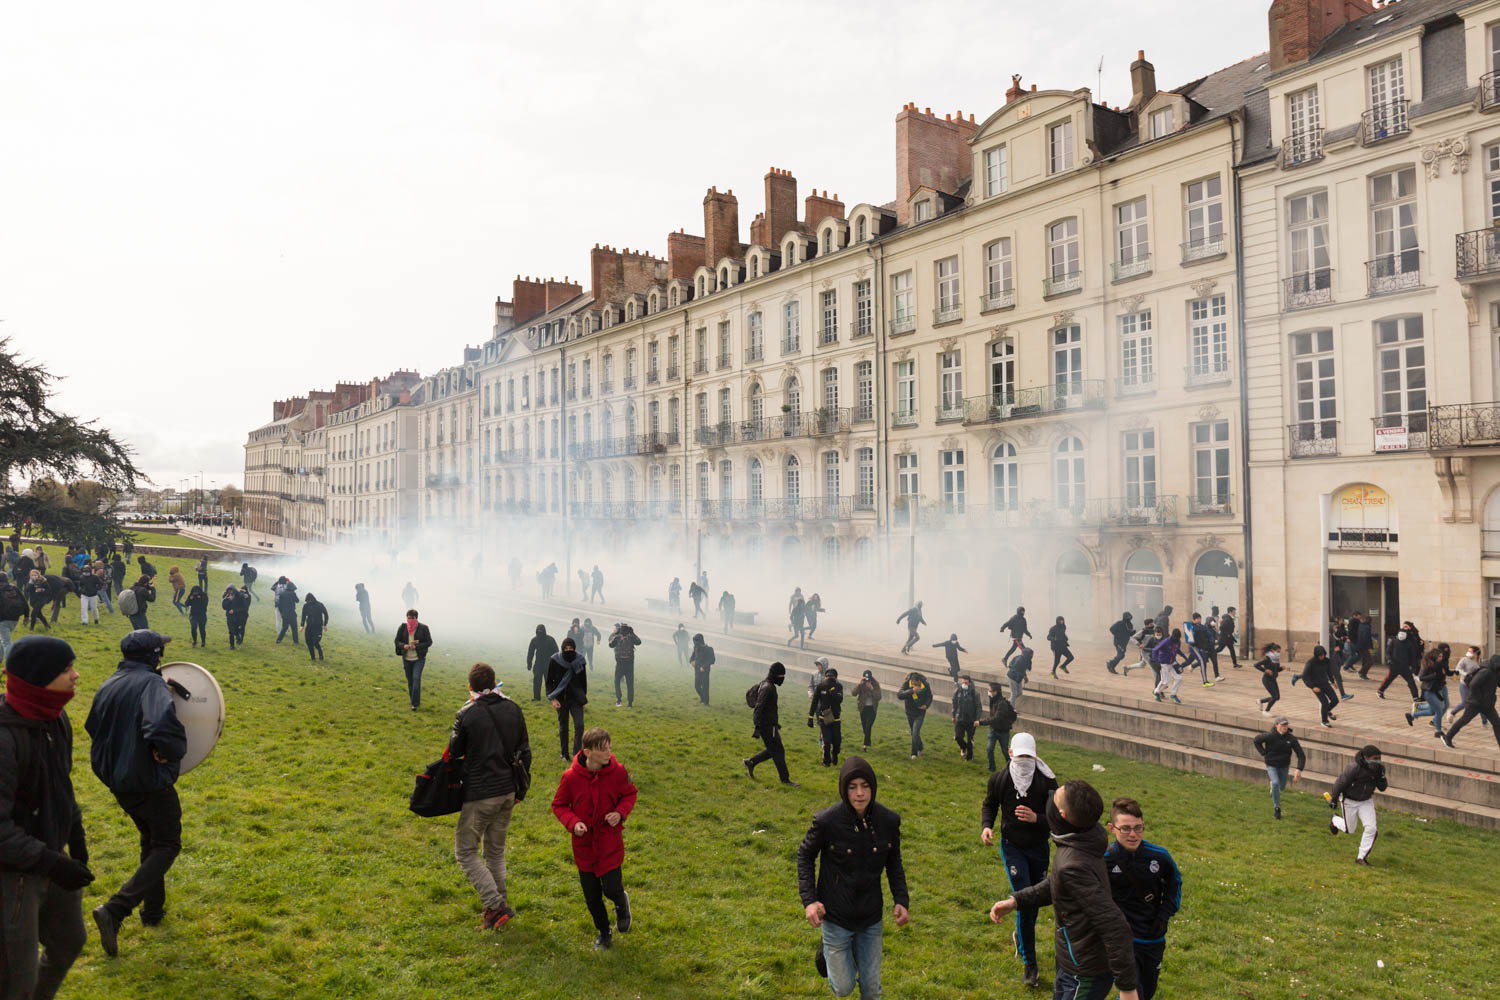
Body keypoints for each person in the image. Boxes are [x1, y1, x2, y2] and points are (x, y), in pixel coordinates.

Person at [0, 635, 93, 999]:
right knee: (14, 979)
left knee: (70, 941)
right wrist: (51, 862)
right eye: (66, 669)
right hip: (11, 874)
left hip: (50, 856)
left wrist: (76, 834)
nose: (76, 675)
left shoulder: (55, 718)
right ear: (39, 679)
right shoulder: (5, 738)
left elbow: (59, 784)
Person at [85, 630, 188, 958]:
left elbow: (92, 725)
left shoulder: (110, 681)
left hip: (119, 780)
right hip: (147, 780)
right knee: (168, 844)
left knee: (151, 840)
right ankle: (116, 910)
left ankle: (153, 913)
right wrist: (168, 751)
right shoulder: (150, 684)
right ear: (153, 655)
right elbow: (160, 728)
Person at [990, 778, 1140, 1000]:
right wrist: (1017, 900)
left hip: (1084, 971)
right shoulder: (1082, 838)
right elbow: (1058, 882)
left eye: (1056, 797)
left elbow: (1115, 926)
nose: (1050, 798)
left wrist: (1127, 990)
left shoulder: (1075, 862)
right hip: (1070, 958)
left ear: (1062, 816)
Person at [797, 756, 909, 1000]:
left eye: (865, 786)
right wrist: (810, 901)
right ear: (843, 789)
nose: (860, 793)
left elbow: (894, 862)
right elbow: (805, 856)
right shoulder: (827, 821)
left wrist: (901, 899)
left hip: (871, 917)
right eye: (852, 787)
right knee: (843, 988)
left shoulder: (889, 821)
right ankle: (827, 952)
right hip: (836, 916)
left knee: (871, 988)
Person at [447, 662, 530, 931]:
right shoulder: (513, 708)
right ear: (495, 683)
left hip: (480, 794)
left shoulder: (467, 714)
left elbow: (454, 749)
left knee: (465, 852)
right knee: (495, 853)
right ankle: (498, 912)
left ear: (470, 686)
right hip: (508, 791)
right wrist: (521, 791)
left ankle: (494, 904)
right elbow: (525, 752)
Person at [980, 732, 1057, 988]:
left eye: (1029, 756)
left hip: (1039, 848)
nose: (1024, 761)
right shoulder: (1000, 780)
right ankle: (1030, 964)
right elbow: (989, 804)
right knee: (1023, 900)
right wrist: (987, 826)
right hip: (1012, 847)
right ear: (1010, 754)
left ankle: (1021, 939)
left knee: (1033, 901)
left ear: (1035, 756)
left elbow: (1058, 819)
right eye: (1019, 755)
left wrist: (1037, 819)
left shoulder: (1048, 782)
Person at [551, 727, 636, 950]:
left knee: (610, 888)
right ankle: (604, 932)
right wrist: (573, 822)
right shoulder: (570, 777)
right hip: (584, 846)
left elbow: (630, 794)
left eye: (609, 748)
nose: (608, 753)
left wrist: (619, 813)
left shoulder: (618, 772)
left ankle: (620, 902)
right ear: (587, 752)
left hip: (609, 842)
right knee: (592, 896)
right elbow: (559, 805)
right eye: (602, 750)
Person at [1104, 798, 1181, 1000]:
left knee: (1146, 992)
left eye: (1138, 828)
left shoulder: (1160, 856)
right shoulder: (1104, 859)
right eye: (1126, 828)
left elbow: (1175, 885)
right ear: (1112, 828)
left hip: (1153, 938)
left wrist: (1164, 917)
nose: (1133, 834)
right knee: (1131, 992)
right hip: (1122, 940)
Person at [1327, 745, 1388, 865]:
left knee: (1371, 828)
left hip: (1366, 801)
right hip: (1349, 801)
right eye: (1375, 758)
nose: (1378, 761)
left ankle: (1361, 857)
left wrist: (1381, 777)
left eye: (1379, 758)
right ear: (1366, 757)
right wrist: (1334, 798)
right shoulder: (1353, 768)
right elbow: (1340, 783)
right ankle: (1334, 820)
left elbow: (1383, 788)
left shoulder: (1380, 769)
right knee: (1350, 830)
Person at [744, 662, 798, 786]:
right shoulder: (768, 688)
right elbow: (759, 707)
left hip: (770, 725)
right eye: (781, 676)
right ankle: (785, 780)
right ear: (775, 675)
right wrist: (757, 727)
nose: (783, 678)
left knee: (774, 749)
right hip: (766, 726)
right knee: (778, 751)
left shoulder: (767, 685)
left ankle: (751, 762)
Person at [1442, 654, 1500, 750]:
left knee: (1497, 724)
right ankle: (1447, 737)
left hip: (1488, 705)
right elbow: (1473, 685)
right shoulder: (1485, 671)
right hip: (1476, 703)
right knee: (1464, 720)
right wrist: (1479, 699)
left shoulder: (1494, 672)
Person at [546, 637, 589, 762]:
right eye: (566, 648)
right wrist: (553, 698)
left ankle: (576, 755)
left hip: (576, 699)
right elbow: (549, 682)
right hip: (561, 699)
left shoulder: (580, 660)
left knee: (579, 726)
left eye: (571, 648)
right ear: (562, 648)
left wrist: (583, 698)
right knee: (563, 727)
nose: (568, 650)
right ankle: (564, 754)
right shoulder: (555, 660)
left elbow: (583, 681)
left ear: (575, 649)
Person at [1252, 716, 1304, 819]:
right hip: (1271, 764)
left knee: (1282, 787)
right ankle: (1277, 808)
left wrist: (1299, 769)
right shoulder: (1269, 736)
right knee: (1275, 782)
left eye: (1286, 724)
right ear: (1276, 725)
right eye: (1282, 725)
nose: (1285, 727)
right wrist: (1263, 752)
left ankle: (1273, 787)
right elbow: (1256, 740)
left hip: (1284, 765)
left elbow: (1301, 755)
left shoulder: (1291, 739)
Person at [1406, 647, 1452, 737]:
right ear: (1434, 656)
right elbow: (1421, 678)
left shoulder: (1441, 664)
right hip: (1429, 690)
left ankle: (1413, 715)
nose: (1441, 658)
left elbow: (1445, 673)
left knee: (1441, 707)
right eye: (1439, 656)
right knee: (1438, 710)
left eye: (1442, 656)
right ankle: (1438, 731)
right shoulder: (1426, 664)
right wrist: (1435, 675)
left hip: (1442, 687)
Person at [394, 610, 433, 711]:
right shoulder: (402, 627)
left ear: (416, 618)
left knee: (416, 678)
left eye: (412, 618)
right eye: (409, 618)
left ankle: (414, 704)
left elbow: (429, 642)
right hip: (406, 658)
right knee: (410, 680)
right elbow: (397, 641)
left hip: (418, 658)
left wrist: (417, 646)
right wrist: (404, 646)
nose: (410, 620)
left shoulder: (423, 628)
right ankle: (415, 700)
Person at [808, 666, 844, 767]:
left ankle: (835, 754)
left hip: (836, 719)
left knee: (837, 742)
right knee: (826, 742)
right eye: (827, 676)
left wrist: (833, 693)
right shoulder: (820, 686)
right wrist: (810, 717)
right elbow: (814, 702)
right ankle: (826, 762)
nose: (829, 678)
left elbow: (840, 700)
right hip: (824, 719)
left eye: (831, 676)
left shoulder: (839, 687)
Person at [1380, 620, 1421, 701]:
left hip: (1405, 666)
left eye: (1406, 626)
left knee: (1411, 681)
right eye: (1403, 626)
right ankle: (1380, 691)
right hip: (1394, 665)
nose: (1402, 635)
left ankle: (1415, 697)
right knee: (1389, 679)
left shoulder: (1410, 641)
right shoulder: (1394, 640)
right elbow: (1388, 651)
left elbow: (1413, 654)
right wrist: (1389, 659)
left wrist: (1413, 665)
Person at [981, 681, 1017, 773]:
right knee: (989, 749)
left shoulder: (1002, 703)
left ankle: (1012, 768)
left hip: (1003, 731)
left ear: (995, 692)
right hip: (993, 729)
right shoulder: (993, 699)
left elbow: (997, 717)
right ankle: (992, 767)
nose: (988, 692)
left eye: (989, 690)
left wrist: (982, 723)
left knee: (1005, 751)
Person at [895, 671, 931, 759]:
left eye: (916, 683)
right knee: (913, 732)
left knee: (915, 732)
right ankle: (920, 747)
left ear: (919, 681)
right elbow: (899, 695)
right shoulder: (907, 684)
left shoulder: (925, 685)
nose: (914, 684)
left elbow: (929, 696)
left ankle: (913, 753)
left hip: (920, 712)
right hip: (910, 712)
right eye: (913, 683)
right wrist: (911, 691)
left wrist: (926, 705)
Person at [1302, 645, 1338, 728]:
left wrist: (1333, 682)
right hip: (1316, 686)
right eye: (1321, 655)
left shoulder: (1326, 661)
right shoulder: (1310, 663)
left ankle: (1327, 711)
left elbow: (1329, 672)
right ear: (1316, 655)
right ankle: (1324, 721)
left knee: (1335, 700)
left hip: (1325, 683)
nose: (1322, 657)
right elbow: (1305, 677)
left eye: (1323, 655)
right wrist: (1312, 687)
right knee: (1324, 703)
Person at [1150, 629, 1188, 704]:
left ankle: (1173, 695)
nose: (1176, 640)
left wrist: (1185, 657)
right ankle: (1156, 692)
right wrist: (1156, 661)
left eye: (1178, 638)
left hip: (1172, 662)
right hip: (1163, 663)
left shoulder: (1178, 642)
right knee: (1165, 681)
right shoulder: (1166, 641)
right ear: (1172, 636)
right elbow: (1155, 650)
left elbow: (1177, 650)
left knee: (1178, 678)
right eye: (1175, 638)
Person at [608, 623, 640, 708]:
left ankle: (619, 700)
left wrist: (616, 634)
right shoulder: (631, 636)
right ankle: (630, 704)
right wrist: (632, 633)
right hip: (630, 664)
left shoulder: (618, 636)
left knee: (617, 682)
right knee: (630, 684)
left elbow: (610, 644)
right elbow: (639, 642)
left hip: (620, 664)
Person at [951, 674, 980, 762]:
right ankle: (963, 747)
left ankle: (969, 757)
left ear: (970, 683)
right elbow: (954, 704)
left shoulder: (975, 693)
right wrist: (953, 715)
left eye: (966, 682)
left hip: (971, 720)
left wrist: (977, 719)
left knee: (970, 739)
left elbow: (978, 707)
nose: (964, 684)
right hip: (960, 718)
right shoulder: (958, 691)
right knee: (957, 737)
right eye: (962, 682)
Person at [527, 625, 558, 702]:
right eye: (538, 631)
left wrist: (556, 664)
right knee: (537, 680)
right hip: (538, 664)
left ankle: (550, 696)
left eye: (541, 631)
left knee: (549, 681)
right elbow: (530, 652)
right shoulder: (534, 640)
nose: (539, 632)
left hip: (548, 664)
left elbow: (556, 652)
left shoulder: (550, 640)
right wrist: (529, 663)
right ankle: (536, 697)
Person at [852, 670, 881, 751]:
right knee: (865, 727)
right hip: (863, 708)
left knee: (868, 726)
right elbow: (853, 693)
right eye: (865, 678)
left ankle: (865, 745)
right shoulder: (861, 684)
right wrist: (859, 685)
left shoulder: (875, 684)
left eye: (868, 679)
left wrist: (871, 688)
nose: (867, 681)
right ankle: (868, 740)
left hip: (872, 709)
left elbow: (878, 697)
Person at [0, 576, 26, 660]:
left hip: (2, 618)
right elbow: (24, 601)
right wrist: (27, 616)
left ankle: (10, 663)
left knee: (6, 641)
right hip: (14, 618)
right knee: (3, 638)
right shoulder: (14, 587)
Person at [1255, 643, 1284, 714]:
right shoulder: (1267, 658)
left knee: (1277, 697)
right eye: (1277, 652)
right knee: (1274, 697)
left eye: (1279, 652)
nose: (1278, 654)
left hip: (1273, 679)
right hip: (1267, 680)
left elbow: (1277, 669)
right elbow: (1256, 665)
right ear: (1272, 651)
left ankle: (1261, 701)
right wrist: (1265, 670)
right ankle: (1266, 711)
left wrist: (1282, 668)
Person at [690, 633, 716, 706]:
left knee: (705, 686)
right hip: (697, 669)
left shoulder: (709, 649)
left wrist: (704, 666)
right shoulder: (696, 647)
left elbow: (712, 660)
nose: (695, 643)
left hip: (705, 670)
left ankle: (706, 702)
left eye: (696, 641)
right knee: (697, 686)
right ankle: (702, 698)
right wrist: (691, 661)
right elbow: (693, 655)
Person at [301, 593, 328, 662]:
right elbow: (303, 615)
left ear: (312, 599)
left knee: (315, 642)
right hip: (309, 626)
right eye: (307, 601)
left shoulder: (319, 605)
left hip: (318, 627)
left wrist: (325, 624)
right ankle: (313, 658)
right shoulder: (305, 606)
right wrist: (302, 625)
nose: (308, 602)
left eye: (309, 601)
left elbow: (326, 614)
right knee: (308, 642)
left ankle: (320, 653)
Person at [275, 580, 300, 645]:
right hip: (292, 613)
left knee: (284, 627)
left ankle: (278, 640)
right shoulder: (293, 593)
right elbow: (297, 601)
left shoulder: (282, 593)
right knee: (294, 628)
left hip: (285, 613)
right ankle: (296, 641)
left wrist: (281, 612)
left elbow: (279, 604)